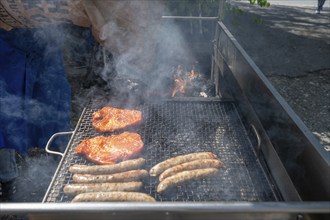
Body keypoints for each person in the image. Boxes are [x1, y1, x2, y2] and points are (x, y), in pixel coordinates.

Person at [0, 27, 71, 201]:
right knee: (4, 115)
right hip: (5, 49)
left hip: (43, 42)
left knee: (53, 107)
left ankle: (62, 173)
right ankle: (7, 178)